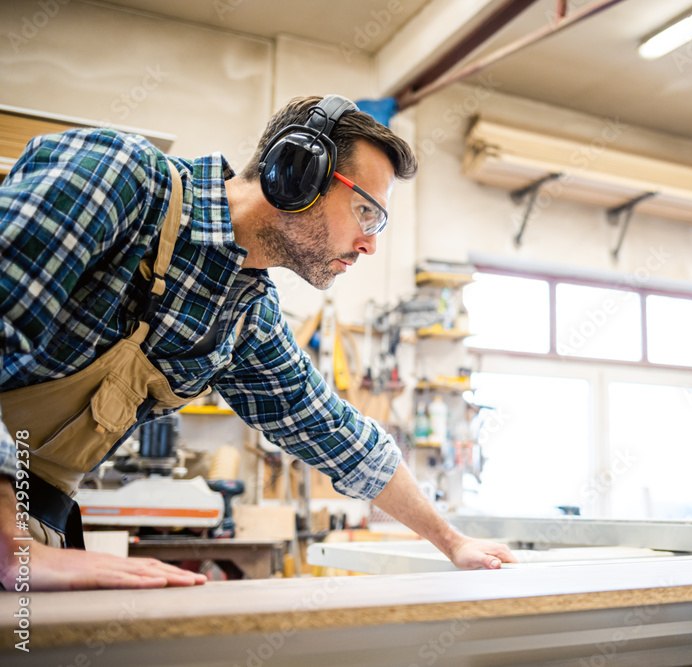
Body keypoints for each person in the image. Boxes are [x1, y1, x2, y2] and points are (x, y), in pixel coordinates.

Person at [0, 94, 516, 591]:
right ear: (297, 173)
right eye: (364, 213)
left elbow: (339, 436)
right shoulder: (119, 177)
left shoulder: (244, 314)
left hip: (33, 528)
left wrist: (453, 543)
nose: (370, 244)